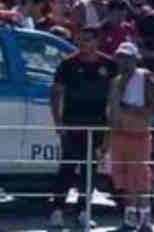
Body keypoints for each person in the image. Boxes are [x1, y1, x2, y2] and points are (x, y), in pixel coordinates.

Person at [50, 24, 115, 229]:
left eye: (88, 39)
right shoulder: (68, 64)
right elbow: (56, 93)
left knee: (90, 170)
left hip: (98, 125)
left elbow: (114, 98)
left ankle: (83, 211)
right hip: (73, 123)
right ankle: (57, 211)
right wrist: (58, 122)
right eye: (81, 39)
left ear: (97, 41)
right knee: (67, 168)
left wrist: (110, 127)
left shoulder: (109, 65)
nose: (83, 43)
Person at [107, 41, 154, 232]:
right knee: (123, 180)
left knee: (140, 179)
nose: (123, 62)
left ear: (135, 59)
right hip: (118, 135)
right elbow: (111, 111)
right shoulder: (115, 81)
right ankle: (129, 219)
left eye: (127, 58)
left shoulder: (145, 78)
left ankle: (145, 221)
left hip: (138, 135)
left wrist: (133, 110)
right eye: (120, 57)